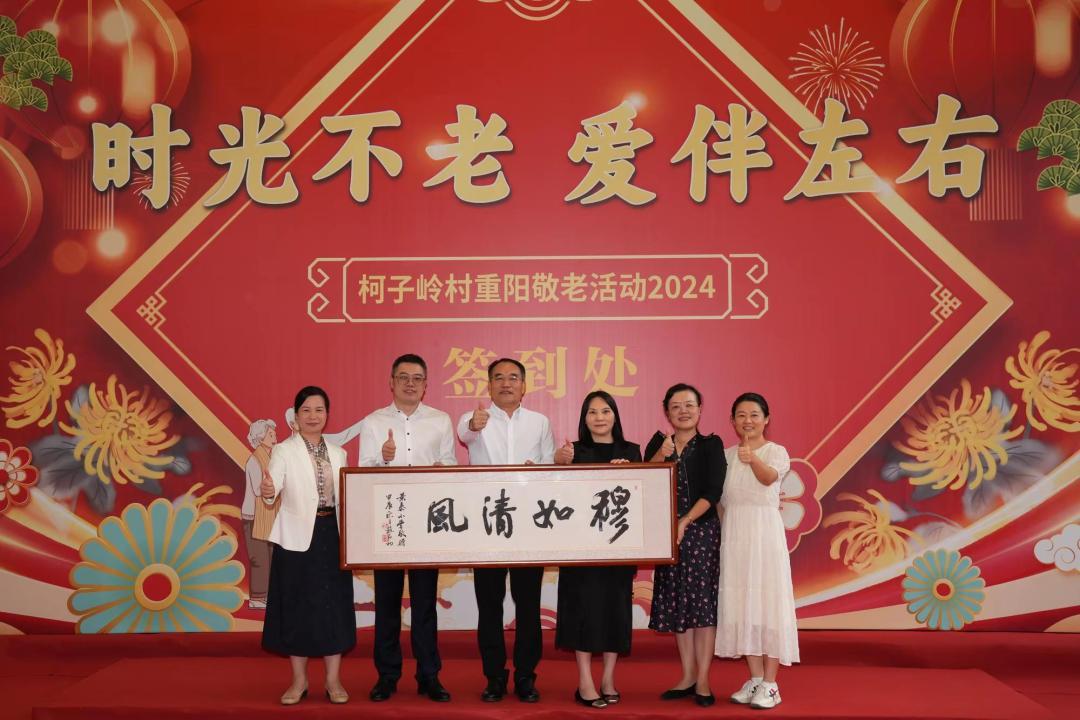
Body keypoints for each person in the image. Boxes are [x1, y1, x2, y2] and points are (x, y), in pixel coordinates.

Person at [359, 354, 456, 703]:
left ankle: (429, 675)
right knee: (386, 604)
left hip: (427, 524)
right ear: (391, 382)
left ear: (426, 384)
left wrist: (441, 471)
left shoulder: (440, 420)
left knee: (424, 603)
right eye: (403, 377)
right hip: (389, 521)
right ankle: (387, 676)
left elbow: (450, 465)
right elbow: (363, 471)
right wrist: (383, 459)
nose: (410, 383)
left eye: (417, 378)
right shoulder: (374, 422)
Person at [457, 357, 555, 703]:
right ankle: (494, 677)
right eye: (498, 378)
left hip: (528, 525)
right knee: (489, 606)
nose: (506, 383)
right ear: (489, 386)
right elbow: (465, 433)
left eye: (513, 378)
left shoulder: (540, 422)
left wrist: (536, 469)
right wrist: (475, 423)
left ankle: (526, 676)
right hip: (486, 525)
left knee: (528, 606)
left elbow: (549, 466)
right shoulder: (475, 419)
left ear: (524, 386)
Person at [261, 386, 355, 705]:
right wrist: (268, 490)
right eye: (306, 410)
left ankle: (333, 680)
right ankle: (299, 681)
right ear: (296, 416)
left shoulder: (339, 453)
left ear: (327, 414)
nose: (313, 416)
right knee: (297, 606)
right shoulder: (284, 451)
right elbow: (272, 488)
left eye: (319, 410)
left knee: (334, 606)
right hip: (297, 538)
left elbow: (347, 495)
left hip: (332, 533)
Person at [554, 391, 641, 709]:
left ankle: (608, 679)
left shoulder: (632, 451)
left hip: (618, 548)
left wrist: (629, 473)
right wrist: (558, 461)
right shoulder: (573, 451)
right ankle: (584, 682)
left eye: (605, 411)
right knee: (583, 613)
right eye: (592, 412)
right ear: (584, 418)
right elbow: (558, 495)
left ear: (615, 415)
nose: (599, 417)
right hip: (580, 549)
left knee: (614, 613)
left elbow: (641, 496)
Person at [644, 383, 726, 707]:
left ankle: (703, 679)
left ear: (700, 409)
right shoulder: (658, 443)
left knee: (702, 606)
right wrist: (660, 456)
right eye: (676, 406)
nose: (683, 411)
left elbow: (713, 491)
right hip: (668, 537)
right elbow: (645, 481)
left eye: (689, 405)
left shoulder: (711, 445)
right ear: (667, 412)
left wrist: (686, 520)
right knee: (679, 604)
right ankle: (688, 675)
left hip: (701, 533)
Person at [715, 392, 798, 710]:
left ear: (766, 419)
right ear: (732, 421)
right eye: (741, 415)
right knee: (742, 605)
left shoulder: (776, 452)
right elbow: (723, 502)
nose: (747, 420)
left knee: (768, 605)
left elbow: (767, 479)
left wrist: (753, 458)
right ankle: (755, 678)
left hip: (765, 537)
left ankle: (771, 684)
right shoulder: (726, 456)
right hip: (736, 537)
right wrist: (726, 534)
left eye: (754, 415)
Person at [241, 419, 276, 609]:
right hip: (254, 517)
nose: (274, 437)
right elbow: (257, 489)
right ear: (260, 437)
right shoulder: (254, 460)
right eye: (270, 434)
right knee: (259, 558)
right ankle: (257, 597)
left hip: (269, 516)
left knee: (271, 557)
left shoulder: (272, 457)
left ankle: (269, 595)